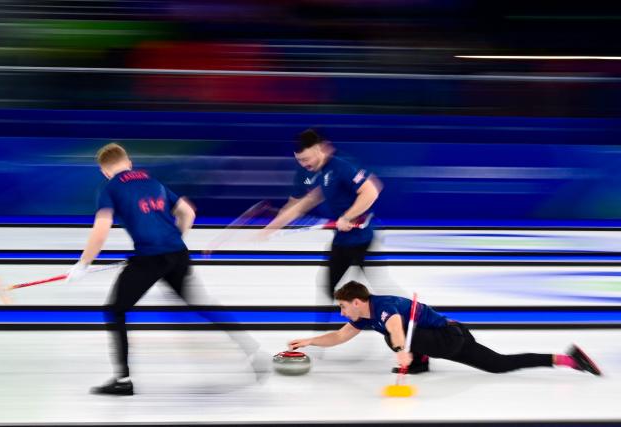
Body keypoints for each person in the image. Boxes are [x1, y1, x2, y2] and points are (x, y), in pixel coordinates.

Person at [67, 143, 263, 396]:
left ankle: (123, 380)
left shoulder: (110, 187)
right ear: (129, 161)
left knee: (114, 310)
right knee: (200, 304)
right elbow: (188, 212)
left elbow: (101, 230)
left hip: (150, 258)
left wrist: (83, 264)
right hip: (176, 254)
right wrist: (173, 240)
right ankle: (252, 350)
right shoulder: (152, 180)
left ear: (105, 170)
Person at [288, 281, 602, 377]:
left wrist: (402, 353)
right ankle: (566, 359)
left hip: (449, 337)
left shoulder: (384, 308)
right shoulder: (362, 315)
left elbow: (396, 330)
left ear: (357, 301)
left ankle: (419, 359)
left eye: (343, 307)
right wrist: (309, 341)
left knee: (392, 339)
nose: (342, 313)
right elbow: (340, 335)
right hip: (440, 336)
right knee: (499, 365)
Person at [262, 129, 382, 300]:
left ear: (320, 149)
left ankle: (401, 317)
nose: (304, 164)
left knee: (373, 290)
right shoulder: (306, 172)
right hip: (343, 237)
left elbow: (372, 191)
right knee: (329, 288)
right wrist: (270, 228)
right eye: (299, 160)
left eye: (306, 159)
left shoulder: (341, 165)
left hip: (362, 236)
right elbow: (295, 206)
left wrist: (347, 217)